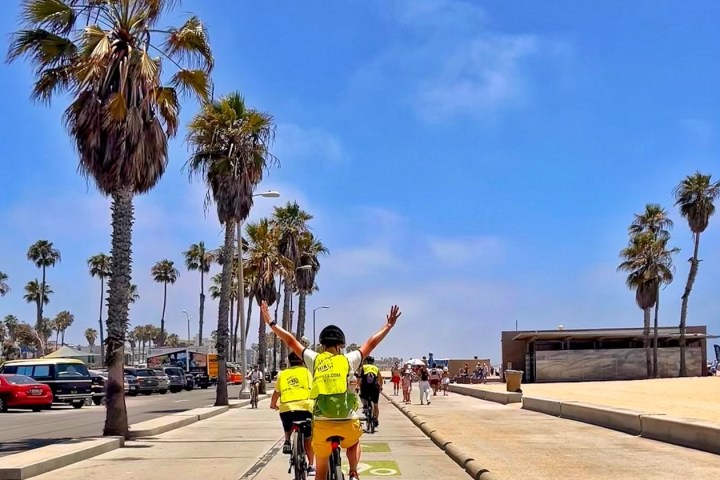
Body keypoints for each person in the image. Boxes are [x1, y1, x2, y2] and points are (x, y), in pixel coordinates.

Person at [262, 301, 401, 480]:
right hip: (346, 420)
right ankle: (352, 471)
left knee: (320, 473)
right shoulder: (349, 359)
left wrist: (271, 323)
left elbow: (290, 340)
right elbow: (371, 343)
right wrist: (388, 325)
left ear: (322, 346)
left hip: (322, 422)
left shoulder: (315, 359)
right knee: (353, 442)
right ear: (340, 346)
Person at [270, 352, 316, 475]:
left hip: (287, 409)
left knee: (287, 424)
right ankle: (311, 465)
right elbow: (315, 389)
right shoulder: (308, 372)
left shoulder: (282, 374)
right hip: (305, 408)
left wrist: (273, 404)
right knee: (308, 439)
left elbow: (276, 393)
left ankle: (287, 440)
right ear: (303, 361)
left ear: (289, 362)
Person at [359, 356, 382, 428]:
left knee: (361, 396)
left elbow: (360, 378)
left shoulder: (363, 367)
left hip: (365, 387)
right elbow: (380, 379)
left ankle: (365, 406)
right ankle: (376, 420)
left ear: (366, 361)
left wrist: (358, 386)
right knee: (376, 404)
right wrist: (381, 387)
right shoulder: (376, 368)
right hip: (375, 387)